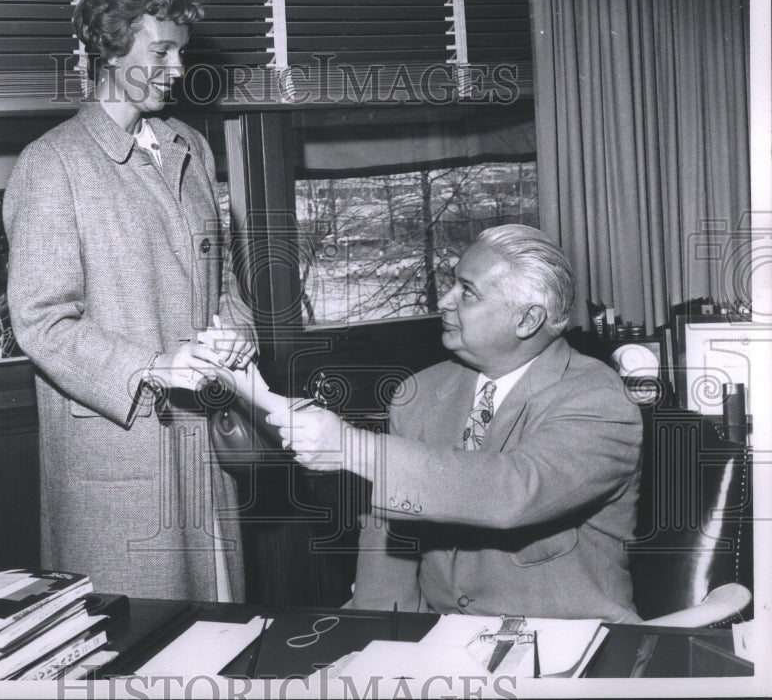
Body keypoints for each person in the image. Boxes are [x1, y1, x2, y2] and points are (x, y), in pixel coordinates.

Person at [3, 0, 256, 602]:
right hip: (121, 459)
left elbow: (222, 280)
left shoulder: (190, 149)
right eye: (163, 50)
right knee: (134, 650)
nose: (178, 69)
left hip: (207, 449)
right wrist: (156, 366)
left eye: (181, 51)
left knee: (220, 635)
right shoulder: (51, 166)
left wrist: (236, 331)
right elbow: (42, 323)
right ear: (110, 49)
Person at [264, 224, 643, 621]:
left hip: (566, 648)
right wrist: (378, 637)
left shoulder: (597, 399)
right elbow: (391, 540)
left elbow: (515, 491)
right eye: (451, 284)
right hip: (445, 644)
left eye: (468, 291)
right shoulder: (421, 392)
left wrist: (352, 447)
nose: (444, 301)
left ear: (528, 319)